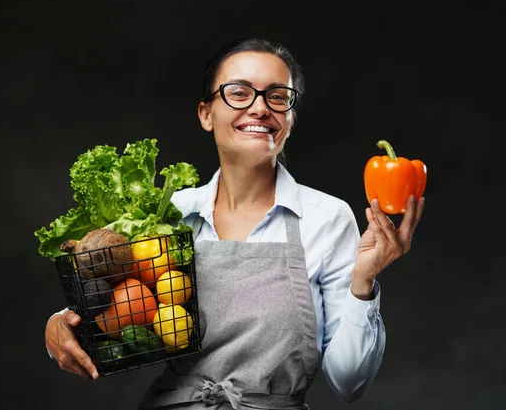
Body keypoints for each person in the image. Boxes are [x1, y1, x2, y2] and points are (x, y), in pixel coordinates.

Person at [45, 37, 425, 409]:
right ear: (206, 114)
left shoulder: (326, 218)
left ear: (290, 118)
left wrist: (363, 284)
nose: (260, 108)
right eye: (240, 93)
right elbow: (122, 300)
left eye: (277, 97)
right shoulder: (171, 216)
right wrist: (61, 323)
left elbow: (349, 383)